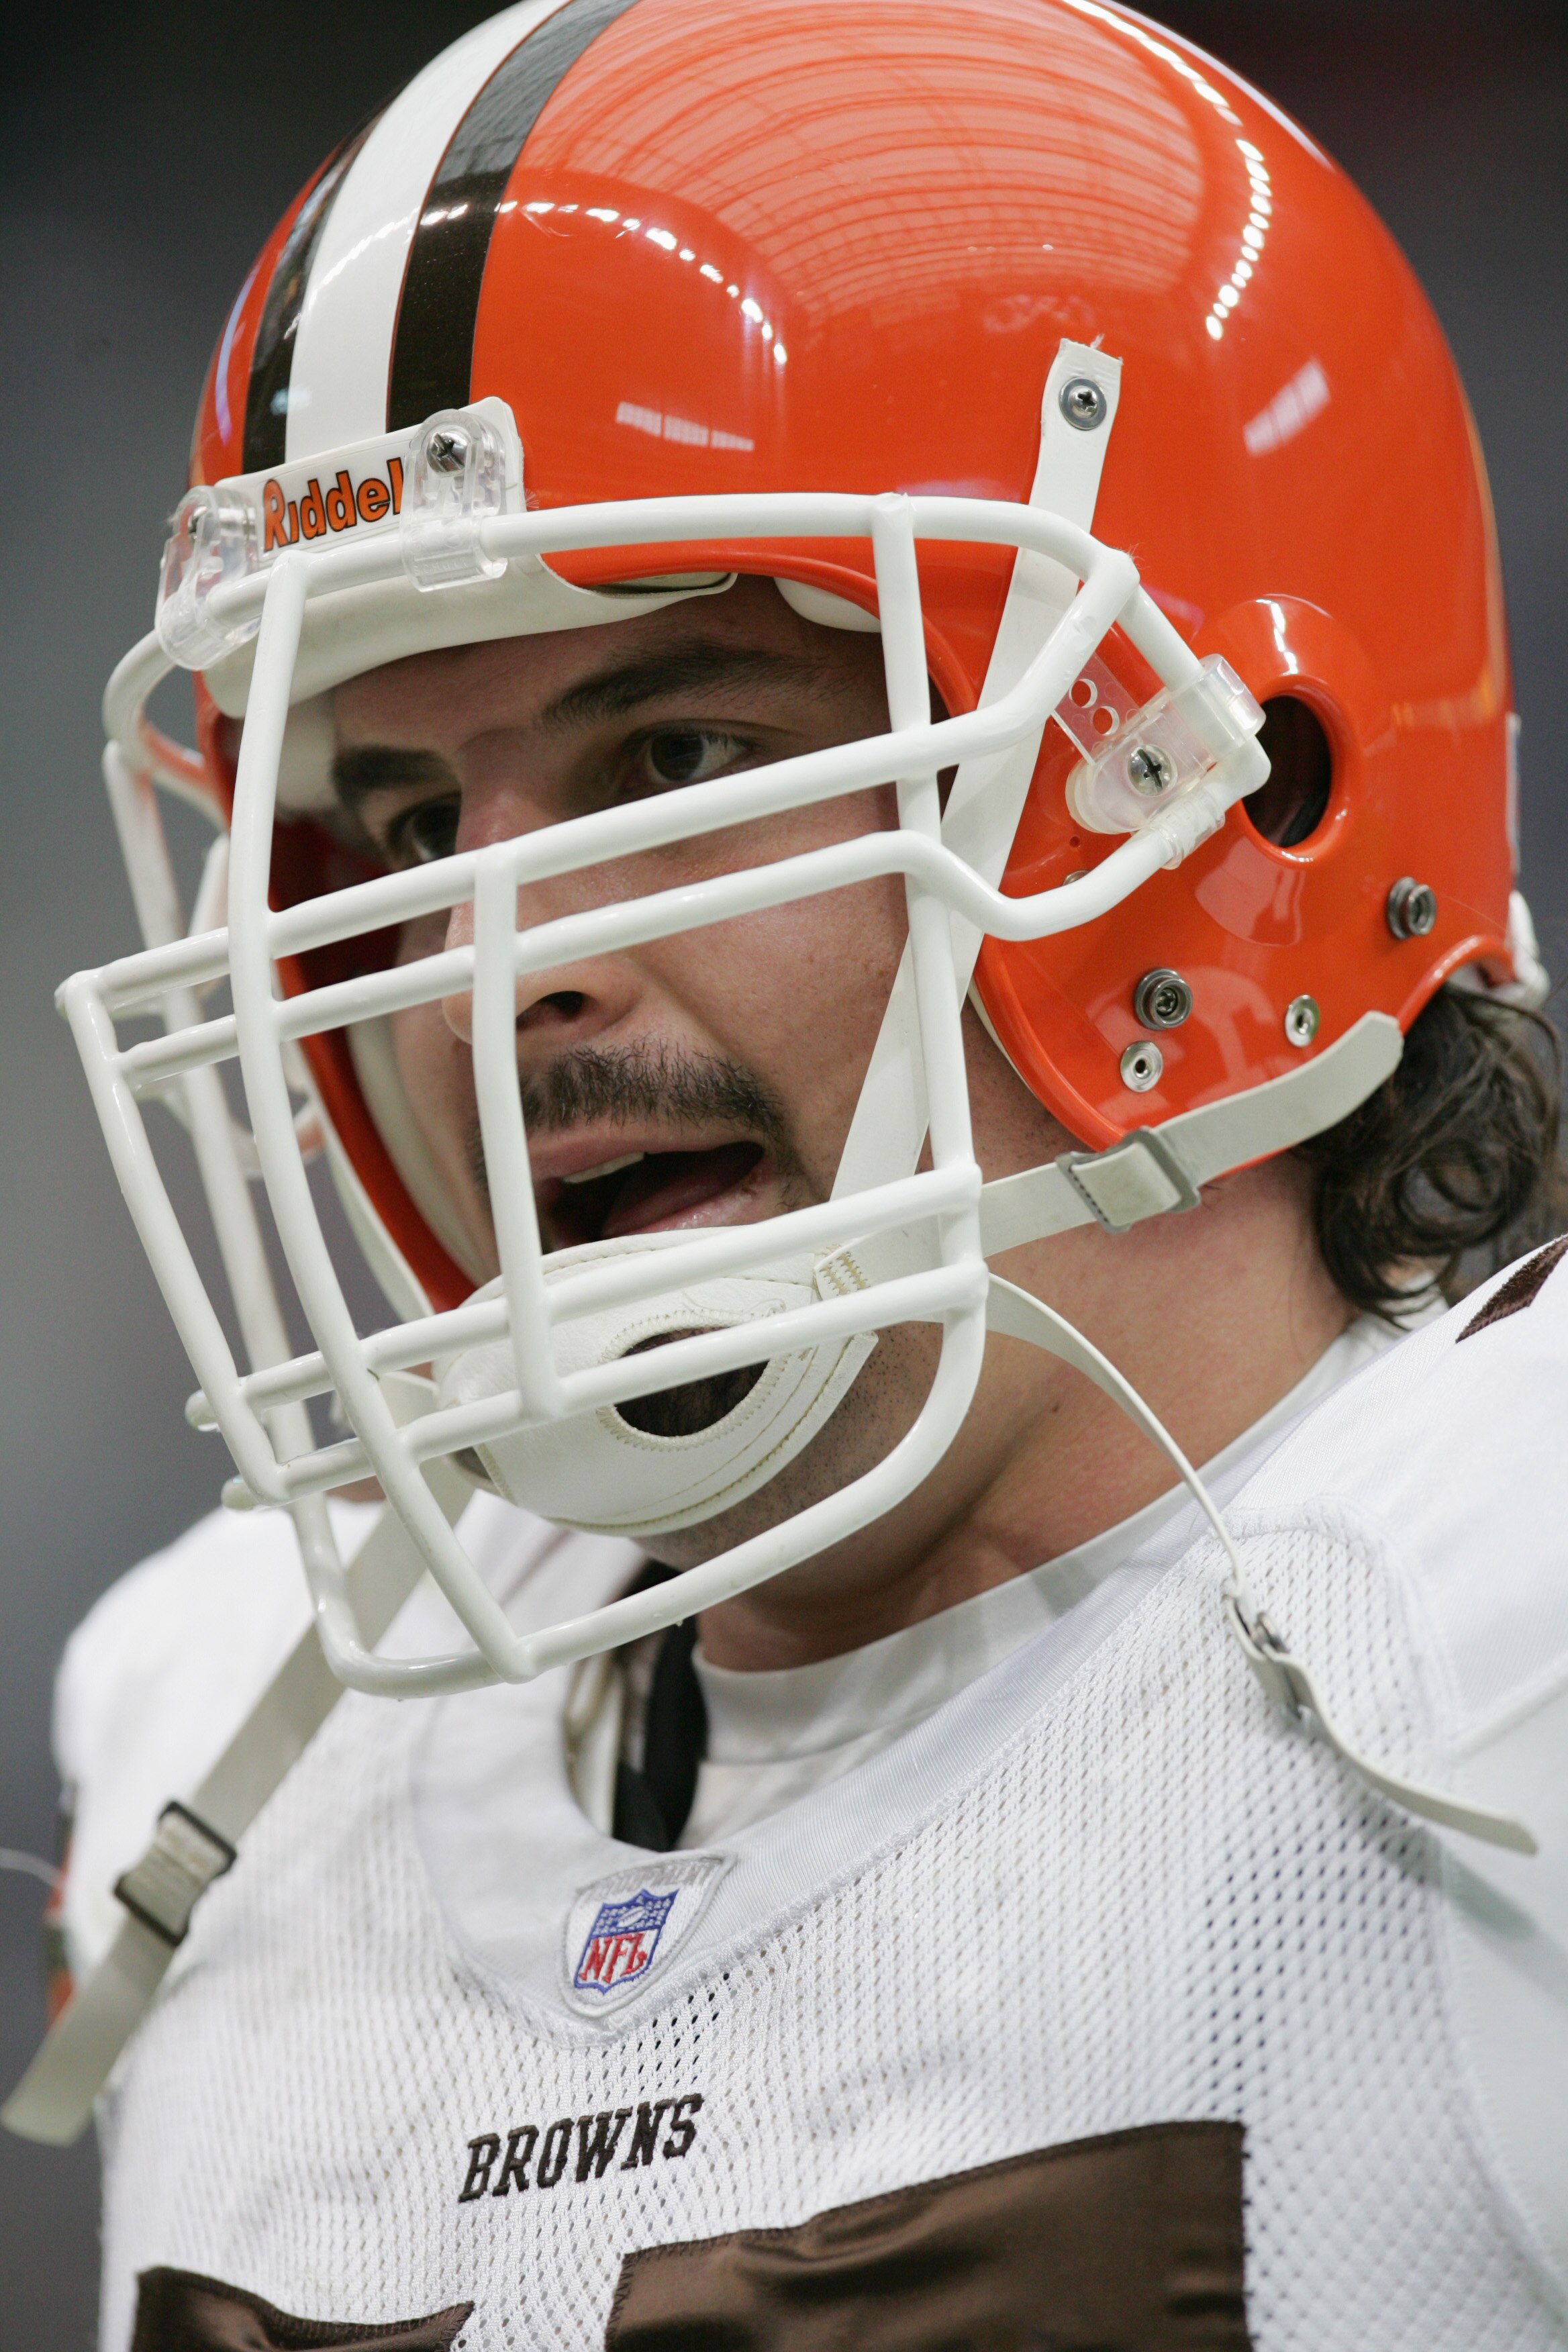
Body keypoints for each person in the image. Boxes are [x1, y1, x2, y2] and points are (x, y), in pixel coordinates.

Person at [11, 0, 1568, 2345]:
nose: (478, 967)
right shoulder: (219, 1730)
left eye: (677, 743)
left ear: (1229, 798)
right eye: (415, 824)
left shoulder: (1507, 1634)